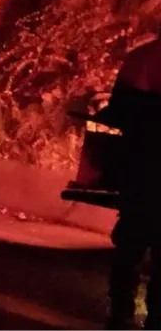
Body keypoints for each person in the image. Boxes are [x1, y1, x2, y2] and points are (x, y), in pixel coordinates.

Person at [100, 30, 160, 331]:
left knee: (130, 244)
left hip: (139, 166)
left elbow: (117, 112)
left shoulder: (140, 58)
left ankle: (120, 310)